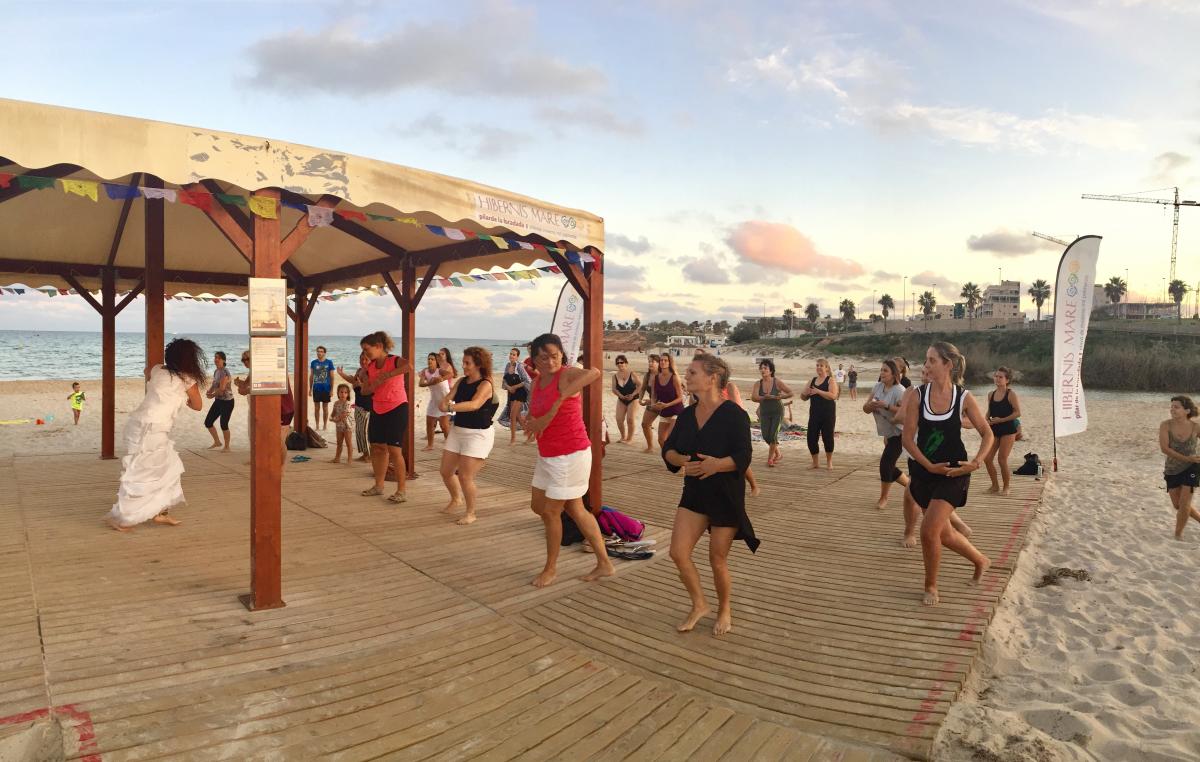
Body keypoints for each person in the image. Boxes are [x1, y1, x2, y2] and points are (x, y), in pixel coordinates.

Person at [663, 353, 758, 636]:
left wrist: (717, 464)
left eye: (692, 372)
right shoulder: (686, 415)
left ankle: (724, 608)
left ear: (712, 378)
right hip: (694, 492)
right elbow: (668, 450)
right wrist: (682, 461)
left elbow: (744, 455)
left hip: (725, 494)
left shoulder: (734, 415)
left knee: (717, 559)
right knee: (678, 552)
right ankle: (699, 604)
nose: (686, 377)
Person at [902, 341, 992, 606]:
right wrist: (928, 466)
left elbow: (987, 434)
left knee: (928, 531)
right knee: (944, 533)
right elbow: (908, 439)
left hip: (954, 472)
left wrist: (976, 463)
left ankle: (930, 586)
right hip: (924, 473)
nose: (926, 365)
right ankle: (980, 560)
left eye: (932, 360)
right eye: (926, 360)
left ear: (948, 365)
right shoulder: (917, 395)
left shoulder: (964, 397)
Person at [523, 333, 614, 588]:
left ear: (561, 355)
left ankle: (550, 569)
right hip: (547, 454)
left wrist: (560, 400)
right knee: (547, 507)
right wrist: (530, 421)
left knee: (551, 512)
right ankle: (604, 563)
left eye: (555, 355)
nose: (550, 361)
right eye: (544, 357)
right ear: (535, 360)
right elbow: (535, 412)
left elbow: (594, 372)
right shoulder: (536, 382)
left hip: (570, 454)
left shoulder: (566, 375)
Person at [107, 339, 205, 532]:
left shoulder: (157, 370)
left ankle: (161, 512)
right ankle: (123, 518)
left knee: (167, 468)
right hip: (151, 429)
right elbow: (198, 406)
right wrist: (184, 400)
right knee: (143, 473)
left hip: (141, 425)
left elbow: (147, 372)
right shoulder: (187, 380)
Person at [439, 347, 499, 525]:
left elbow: (475, 404)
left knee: (465, 476)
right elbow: (448, 398)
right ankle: (456, 499)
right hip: (458, 431)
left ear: (478, 365)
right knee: (446, 471)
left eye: (468, 363)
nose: (463, 366)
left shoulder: (485, 384)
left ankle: (471, 513)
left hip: (478, 435)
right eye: (463, 362)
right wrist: (444, 403)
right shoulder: (461, 381)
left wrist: (450, 407)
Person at [359, 331, 413, 504]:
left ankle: (401, 490)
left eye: (367, 349)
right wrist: (371, 384)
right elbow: (364, 391)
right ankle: (379, 485)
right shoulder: (370, 367)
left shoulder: (394, 360)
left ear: (379, 346)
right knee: (377, 448)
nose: (365, 354)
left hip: (397, 408)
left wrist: (389, 375)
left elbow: (409, 367)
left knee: (395, 450)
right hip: (378, 408)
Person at [233, 349, 293, 473]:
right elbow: (247, 386)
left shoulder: (270, 369)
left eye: (246, 359)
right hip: (268, 409)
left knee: (279, 441)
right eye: (242, 360)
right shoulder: (256, 370)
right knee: (264, 437)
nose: (244, 362)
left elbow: (262, 386)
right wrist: (239, 384)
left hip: (283, 408)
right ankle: (267, 463)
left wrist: (245, 389)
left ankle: (281, 468)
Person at [864, 360, 908, 510]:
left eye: (885, 370)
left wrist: (886, 406)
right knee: (889, 466)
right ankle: (911, 486)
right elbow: (865, 409)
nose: (882, 373)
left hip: (901, 433)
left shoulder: (900, 390)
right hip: (888, 433)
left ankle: (884, 498)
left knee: (885, 464)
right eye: (881, 370)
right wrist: (870, 406)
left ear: (894, 374)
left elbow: (905, 413)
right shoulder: (877, 387)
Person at [1159, 395, 1200, 539]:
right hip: (1172, 469)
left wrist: (1192, 459)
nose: (1172, 409)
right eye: (1171, 407)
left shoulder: (1195, 427)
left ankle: (1178, 534)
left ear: (1187, 410)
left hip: (1192, 467)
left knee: (1184, 503)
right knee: (1177, 505)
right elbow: (1165, 449)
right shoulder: (1166, 425)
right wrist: (1186, 458)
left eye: (1176, 407)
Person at [983, 367, 1022, 496]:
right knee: (987, 459)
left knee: (1002, 459)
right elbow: (990, 411)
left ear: (1007, 380)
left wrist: (1002, 420)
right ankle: (995, 486)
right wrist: (985, 420)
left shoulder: (1011, 394)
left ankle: (1006, 487)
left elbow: (1018, 413)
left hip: (1008, 430)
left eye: (1001, 377)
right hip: (994, 429)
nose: (997, 379)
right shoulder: (991, 394)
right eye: (996, 376)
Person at [751, 359, 792, 468]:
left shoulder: (777, 382)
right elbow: (754, 397)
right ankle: (778, 454)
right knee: (766, 436)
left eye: (765, 368)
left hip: (777, 412)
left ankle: (770, 459)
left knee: (773, 435)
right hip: (764, 412)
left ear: (771, 371)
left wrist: (782, 396)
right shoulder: (758, 383)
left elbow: (791, 392)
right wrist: (764, 397)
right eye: (761, 368)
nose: (763, 370)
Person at [801, 358, 838, 470]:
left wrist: (818, 391)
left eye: (821, 365)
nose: (818, 367)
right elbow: (803, 397)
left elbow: (833, 395)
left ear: (826, 368)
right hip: (814, 414)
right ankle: (815, 463)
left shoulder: (830, 380)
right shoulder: (812, 381)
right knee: (811, 438)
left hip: (828, 414)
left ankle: (829, 462)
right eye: (817, 365)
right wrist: (805, 394)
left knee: (828, 437)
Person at [336, 352, 372, 462]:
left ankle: (369, 456)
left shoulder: (371, 372)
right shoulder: (359, 371)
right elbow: (352, 380)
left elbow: (373, 388)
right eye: (361, 359)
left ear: (371, 360)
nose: (363, 361)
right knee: (359, 432)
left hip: (367, 407)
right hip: (358, 406)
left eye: (366, 359)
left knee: (364, 432)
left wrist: (362, 385)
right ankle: (365, 454)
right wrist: (341, 374)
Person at [651, 353, 686, 448]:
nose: (663, 362)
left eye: (665, 360)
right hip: (664, 411)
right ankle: (667, 456)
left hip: (676, 411)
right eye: (661, 360)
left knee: (670, 438)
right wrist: (653, 404)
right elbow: (653, 395)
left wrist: (667, 404)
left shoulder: (674, 377)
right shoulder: (655, 378)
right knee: (661, 440)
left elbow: (680, 397)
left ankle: (675, 456)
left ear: (670, 363)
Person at [419, 353, 452, 450]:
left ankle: (450, 446)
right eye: (428, 359)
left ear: (436, 362)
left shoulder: (439, 370)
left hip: (445, 400)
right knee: (429, 423)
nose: (430, 360)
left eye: (432, 359)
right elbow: (421, 383)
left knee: (444, 426)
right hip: (434, 401)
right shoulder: (425, 371)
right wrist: (430, 382)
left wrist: (440, 379)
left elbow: (450, 374)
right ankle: (430, 445)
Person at [204, 351, 235, 451]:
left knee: (223, 425)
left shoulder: (225, 372)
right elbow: (214, 384)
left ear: (224, 360)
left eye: (219, 358)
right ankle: (217, 442)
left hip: (227, 402)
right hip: (218, 401)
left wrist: (212, 395)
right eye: (215, 357)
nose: (216, 359)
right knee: (208, 422)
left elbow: (222, 389)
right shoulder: (216, 371)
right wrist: (209, 391)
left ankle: (227, 447)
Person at [502, 347, 532, 445]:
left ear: (517, 357)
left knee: (512, 415)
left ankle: (513, 440)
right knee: (518, 416)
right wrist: (508, 387)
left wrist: (514, 387)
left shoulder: (519, 366)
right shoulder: (507, 365)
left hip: (520, 393)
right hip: (511, 393)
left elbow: (527, 380)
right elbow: (504, 380)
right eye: (510, 354)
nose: (511, 356)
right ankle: (529, 435)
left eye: (514, 354)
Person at [611, 354, 640, 444]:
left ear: (626, 363)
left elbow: (640, 385)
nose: (620, 364)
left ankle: (629, 439)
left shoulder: (632, 374)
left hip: (633, 398)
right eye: (618, 363)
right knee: (619, 419)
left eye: (622, 362)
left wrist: (633, 394)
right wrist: (620, 396)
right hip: (622, 399)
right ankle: (623, 437)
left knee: (630, 419)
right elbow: (614, 389)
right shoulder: (615, 376)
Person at [638, 354, 661, 452]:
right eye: (649, 361)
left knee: (665, 433)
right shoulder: (647, 375)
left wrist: (651, 401)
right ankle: (650, 447)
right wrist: (640, 399)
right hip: (652, 404)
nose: (650, 363)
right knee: (645, 424)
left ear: (659, 363)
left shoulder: (663, 375)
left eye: (653, 361)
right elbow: (643, 388)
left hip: (665, 404)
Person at [310, 346, 334, 430]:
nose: (319, 353)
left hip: (326, 389)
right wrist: (310, 389)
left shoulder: (329, 362)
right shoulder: (313, 362)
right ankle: (317, 425)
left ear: (324, 353)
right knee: (316, 408)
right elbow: (311, 376)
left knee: (325, 408)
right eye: (318, 351)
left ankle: (325, 425)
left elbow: (332, 377)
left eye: (321, 351)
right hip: (316, 388)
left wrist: (331, 390)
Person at [329, 383, 354, 464]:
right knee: (339, 443)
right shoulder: (336, 403)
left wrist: (334, 420)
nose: (343, 394)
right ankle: (337, 458)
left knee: (348, 443)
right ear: (338, 393)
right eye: (341, 392)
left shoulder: (348, 403)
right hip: (339, 426)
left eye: (345, 392)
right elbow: (333, 413)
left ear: (348, 394)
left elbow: (344, 415)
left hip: (347, 426)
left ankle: (349, 459)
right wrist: (331, 417)